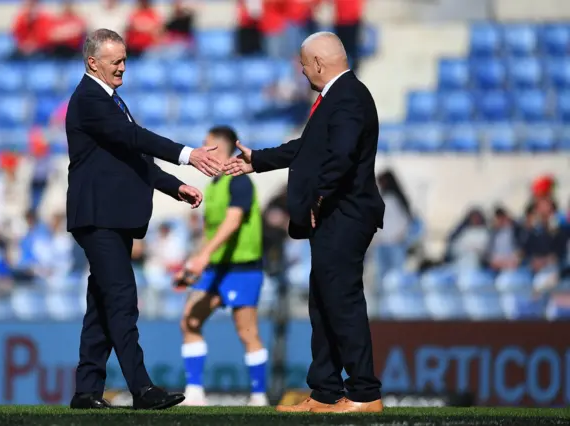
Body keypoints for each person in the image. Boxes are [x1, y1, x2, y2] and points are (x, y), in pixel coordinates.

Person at [224, 32, 385, 414]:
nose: (299, 69)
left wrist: (319, 195)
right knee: (324, 301)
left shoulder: (348, 98)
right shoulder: (335, 98)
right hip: (333, 215)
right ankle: (326, 392)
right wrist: (258, 160)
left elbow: (342, 156)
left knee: (341, 300)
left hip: (343, 214)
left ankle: (364, 394)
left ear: (317, 63)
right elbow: (309, 148)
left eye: (302, 62)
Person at [66, 28, 221, 410]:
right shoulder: (90, 98)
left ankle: (87, 391)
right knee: (121, 299)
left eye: (124, 60)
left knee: (102, 304)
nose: (122, 67)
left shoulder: (111, 99)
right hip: (98, 216)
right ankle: (142, 388)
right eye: (115, 61)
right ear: (93, 63)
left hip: (111, 217)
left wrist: (174, 186)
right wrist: (187, 154)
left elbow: (133, 155)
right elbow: (134, 138)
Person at [174, 126, 268, 407]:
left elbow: (233, 221)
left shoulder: (238, 181)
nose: (202, 149)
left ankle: (259, 396)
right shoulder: (213, 187)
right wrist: (194, 263)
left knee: (247, 331)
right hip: (214, 269)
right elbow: (211, 231)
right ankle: (194, 392)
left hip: (242, 268)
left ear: (219, 147)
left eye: (206, 144)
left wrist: (204, 257)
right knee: (189, 320)